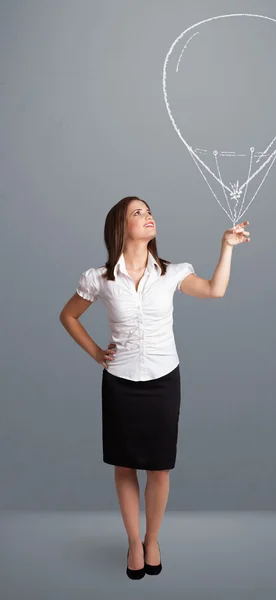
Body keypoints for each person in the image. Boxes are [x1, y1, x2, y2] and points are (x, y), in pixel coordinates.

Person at [59, 195, 250, 578]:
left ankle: (152, 539)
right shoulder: (100, 278)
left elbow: (215, 289)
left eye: (149, 212)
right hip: (120, 382)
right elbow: (68, 316)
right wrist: (97, 352)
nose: (148, 216)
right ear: (120, 226)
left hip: (164, 381)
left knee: (159, 469)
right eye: (138, 212)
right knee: (124, 465)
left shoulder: (172, 273)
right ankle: (133, 541)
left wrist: (226, 247)